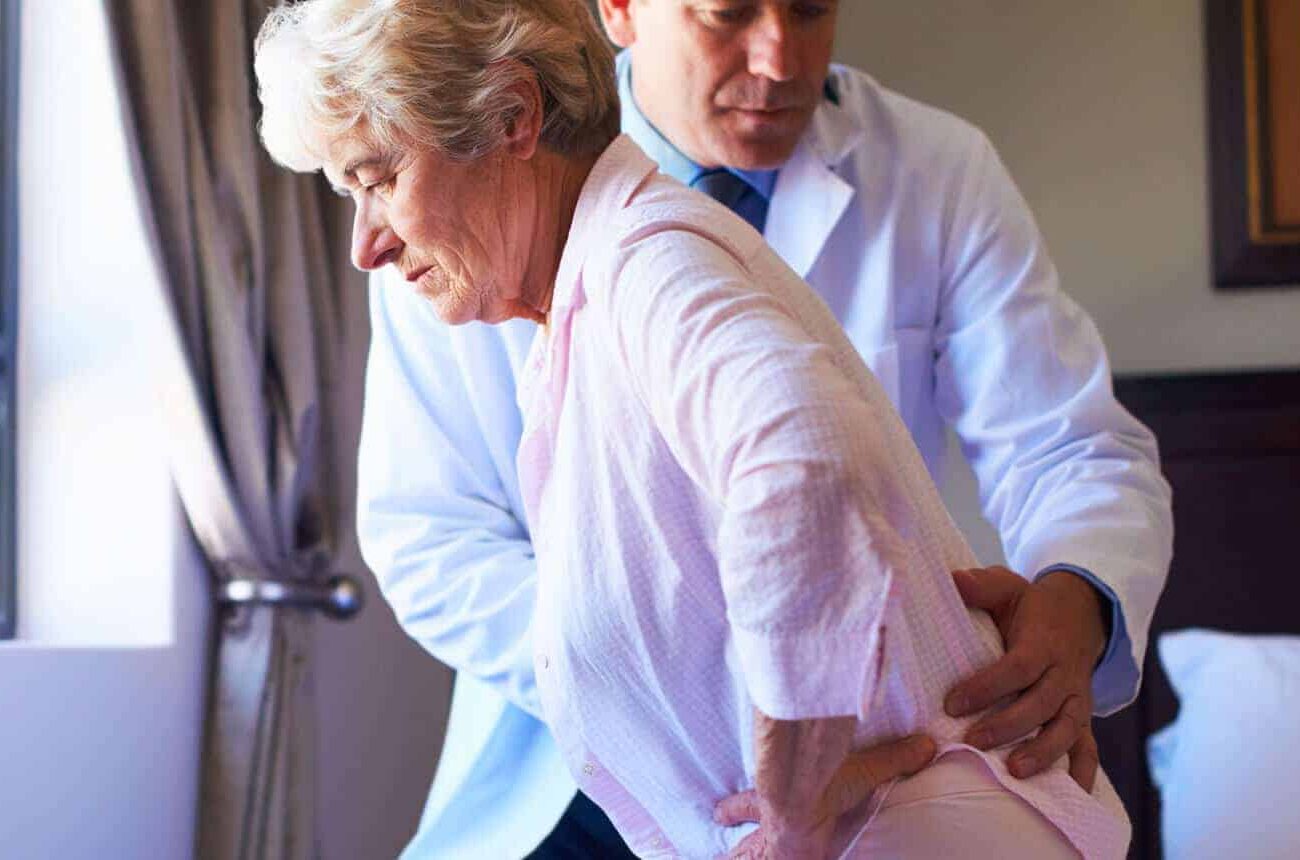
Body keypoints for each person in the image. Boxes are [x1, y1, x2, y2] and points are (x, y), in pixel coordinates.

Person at [255, 2, 1155, 857]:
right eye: (726, 13)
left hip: (849, 752)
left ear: (519, 121)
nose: (776, 60)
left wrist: (1074, 602)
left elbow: (858, 455)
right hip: (574, 761)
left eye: (809, 9)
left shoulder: (651, 242)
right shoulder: (458, 179)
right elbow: (429, 531)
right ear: (620, 11)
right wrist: (677, 704)